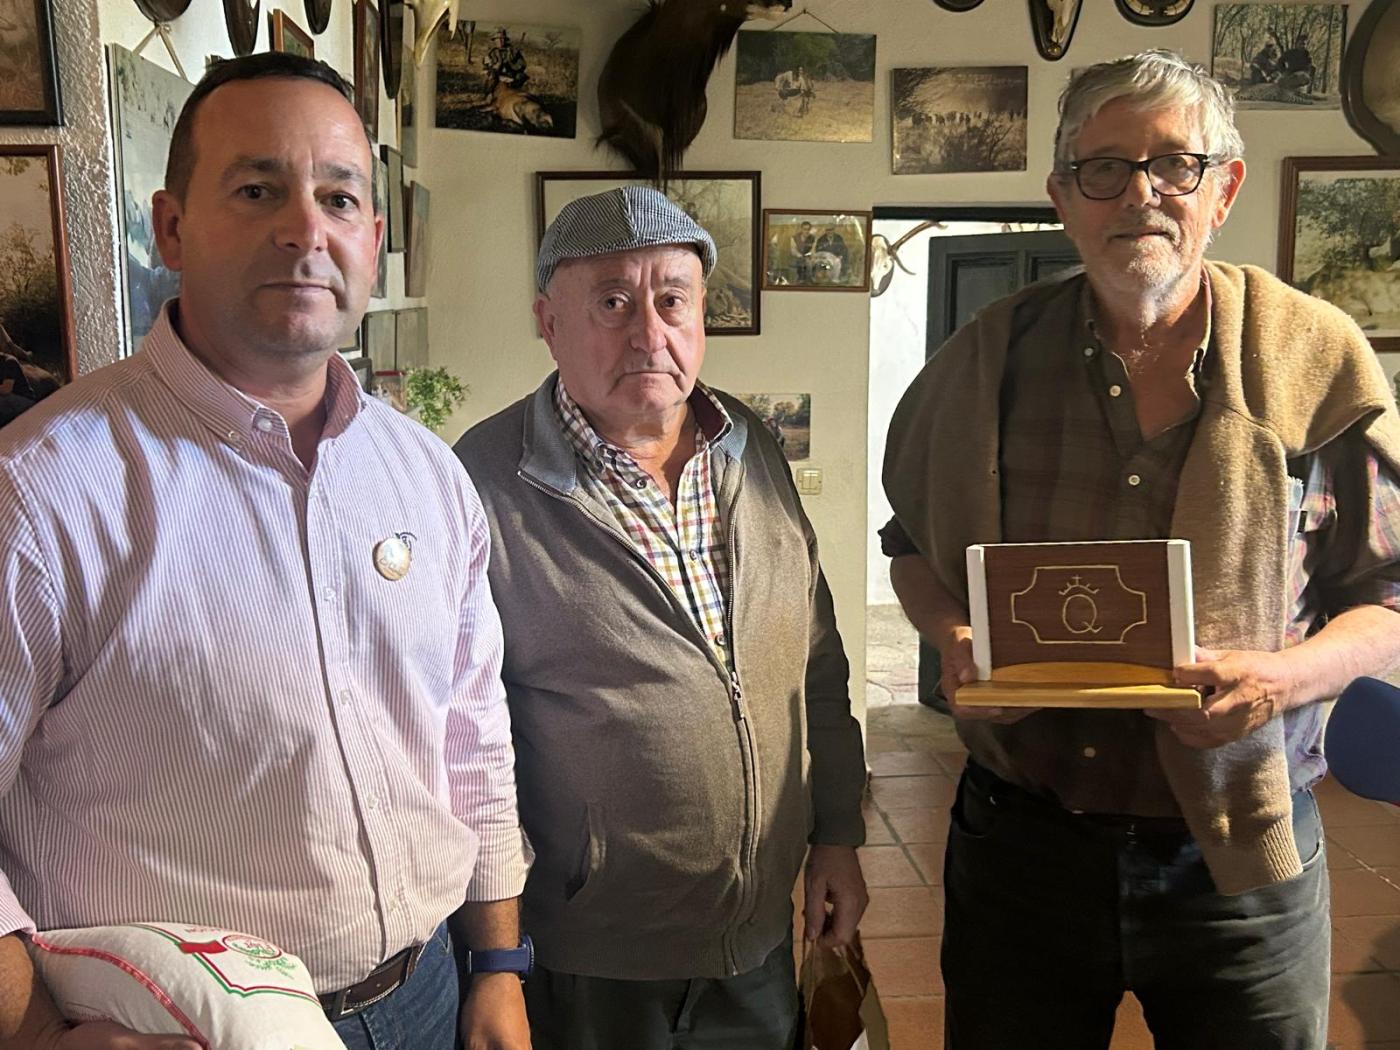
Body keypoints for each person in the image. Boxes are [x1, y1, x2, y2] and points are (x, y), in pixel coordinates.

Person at [0, 53, 530, 1050]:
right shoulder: (40, 490)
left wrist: (498, 965)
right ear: (170, 228)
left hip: (426, 993)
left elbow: (471, 734)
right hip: (181, 1030)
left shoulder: (426, 473)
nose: (304, 230)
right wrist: (33, 1034)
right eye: (256, 190)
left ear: (373, 240)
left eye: (338, 198)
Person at [881, 49, 1400, 1048]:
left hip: (1237, 855)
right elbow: (910, 548)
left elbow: (1388, 593)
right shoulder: (983, 360)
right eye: (1104, 168)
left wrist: (1282, 680)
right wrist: (953, 637)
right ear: (1062, 197)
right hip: (1021, 848)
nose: (1139, 194)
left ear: (1224, 189)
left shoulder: (1318, 357)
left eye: (1174, 165)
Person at [455, 186, 867, 1050]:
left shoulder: (749, 446)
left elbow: (817, 663)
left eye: (672, 300)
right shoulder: (481, 485)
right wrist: (495, 958)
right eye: (612, 303)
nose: (649, 333)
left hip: (757, 942)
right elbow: (462, 744)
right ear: (548, 322)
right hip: (591, 961)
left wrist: (836, 835)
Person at [483, 27, 528, 100]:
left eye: (502, 39)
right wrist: (494, 67)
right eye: (498, 39)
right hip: (497, 76)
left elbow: (523, 64)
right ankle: (489, 94)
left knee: (521, 76)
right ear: (495, 40)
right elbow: (486, 66)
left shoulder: (513, 51)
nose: (500, 41)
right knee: (490, 78)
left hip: (511, 76)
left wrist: (512, 65)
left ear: (505, 40)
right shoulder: (491, 53)